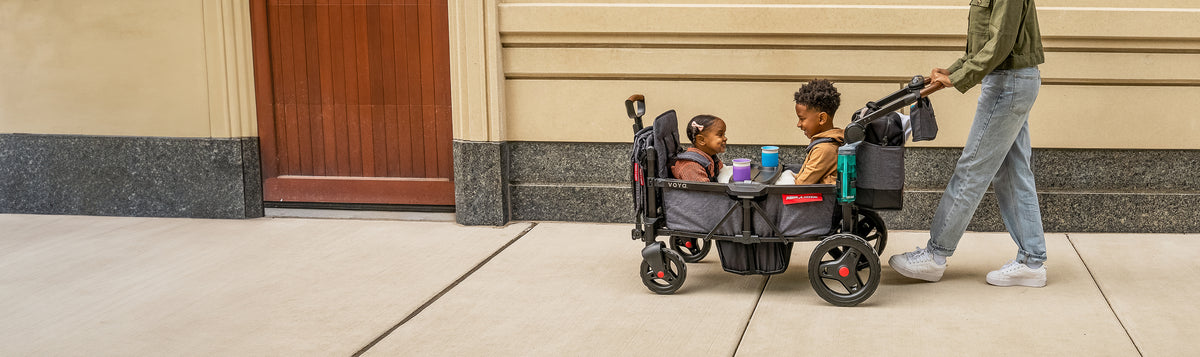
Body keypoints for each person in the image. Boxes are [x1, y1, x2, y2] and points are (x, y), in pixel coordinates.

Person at [889, 0, 1048, 287]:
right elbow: (984, 44)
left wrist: (961, 76)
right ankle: (1031, 261)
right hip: (1007, 81)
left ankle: (935, 256)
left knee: (972, 169)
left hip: (1007, 84)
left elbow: (1000, 42)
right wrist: (953, 70)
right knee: (1013, 172)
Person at [792, 80, 844, 185]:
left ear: (822, 118)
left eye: (802, 119)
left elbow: (801, 184)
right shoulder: (827, 143)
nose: (798, 124)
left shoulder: (824, 149)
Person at [672, 115, 727, 182]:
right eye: (720, 135)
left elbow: (722, 171)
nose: (725, 138)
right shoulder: (691, 167)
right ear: (701, 140)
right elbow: (703, 191)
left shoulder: (711, 157)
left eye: (724, 134)